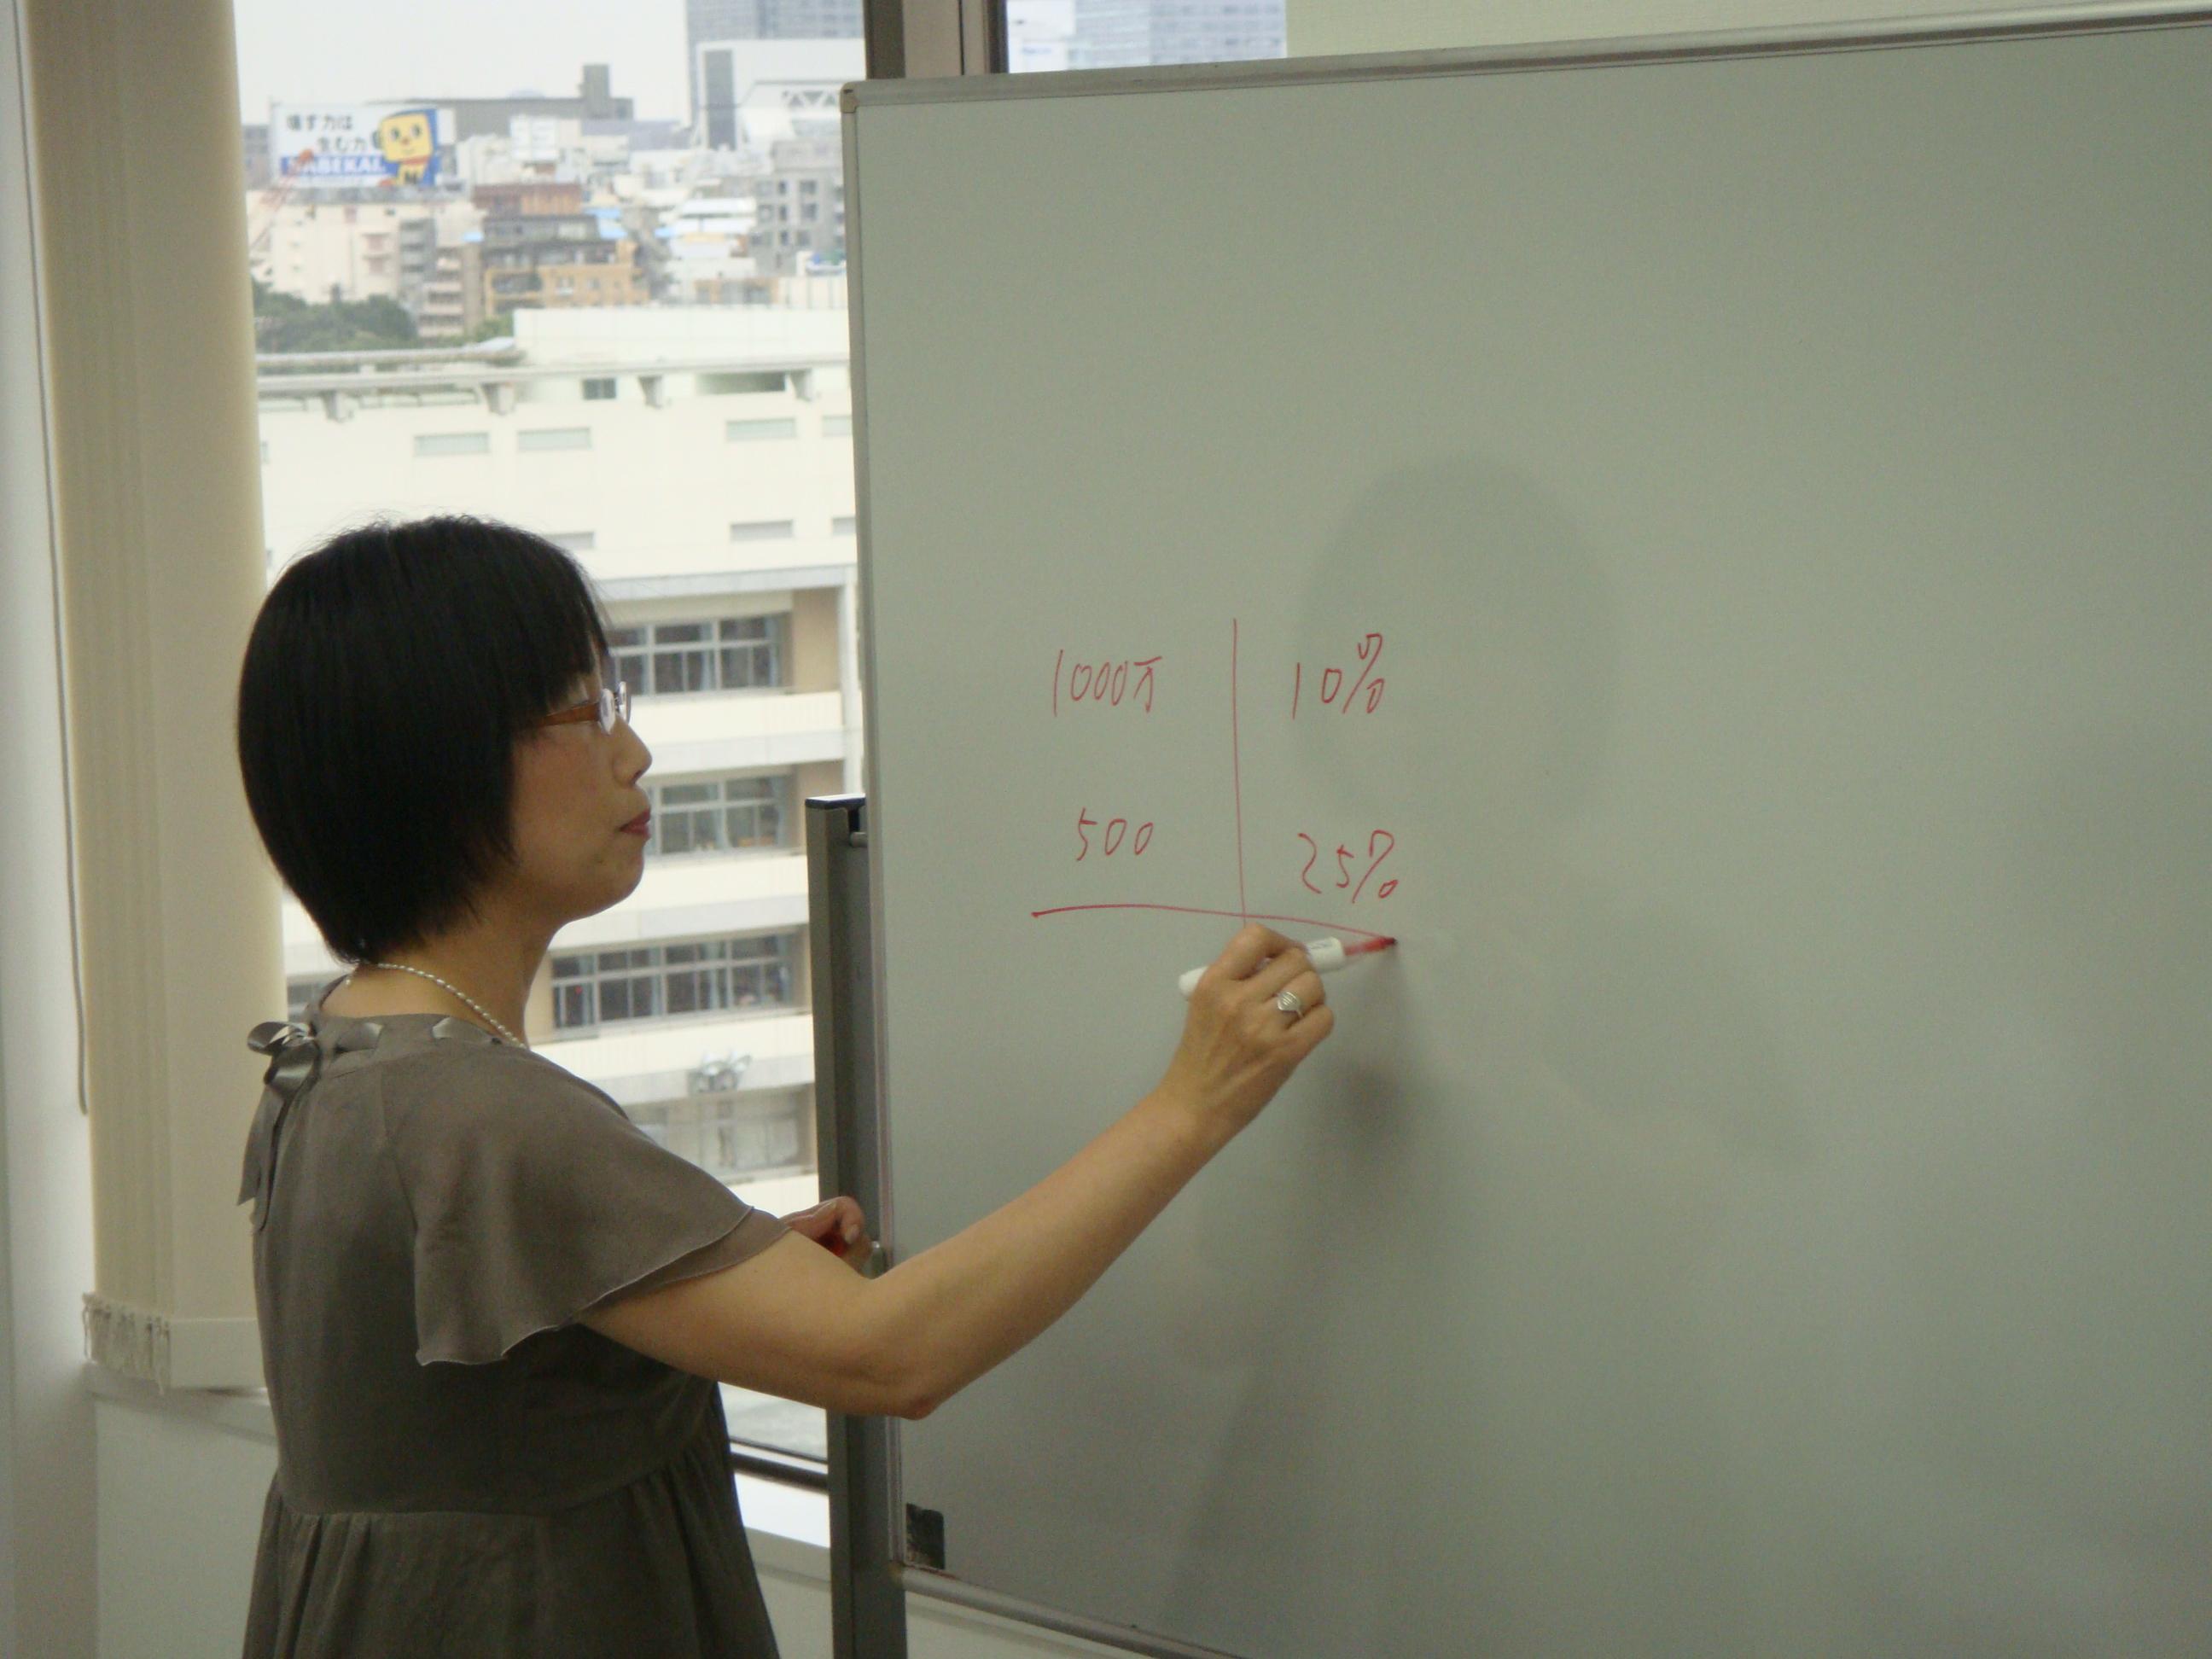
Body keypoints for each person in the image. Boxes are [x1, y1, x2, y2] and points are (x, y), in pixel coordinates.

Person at [230, 515, 1336, 1657]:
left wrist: (689, 1283)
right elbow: (893, 1353)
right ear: (442, 762)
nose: (633, 753)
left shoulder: (337, 1055)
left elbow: (484, 1411)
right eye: (586, 710)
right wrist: (1192, 1104)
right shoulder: (486, 1115)